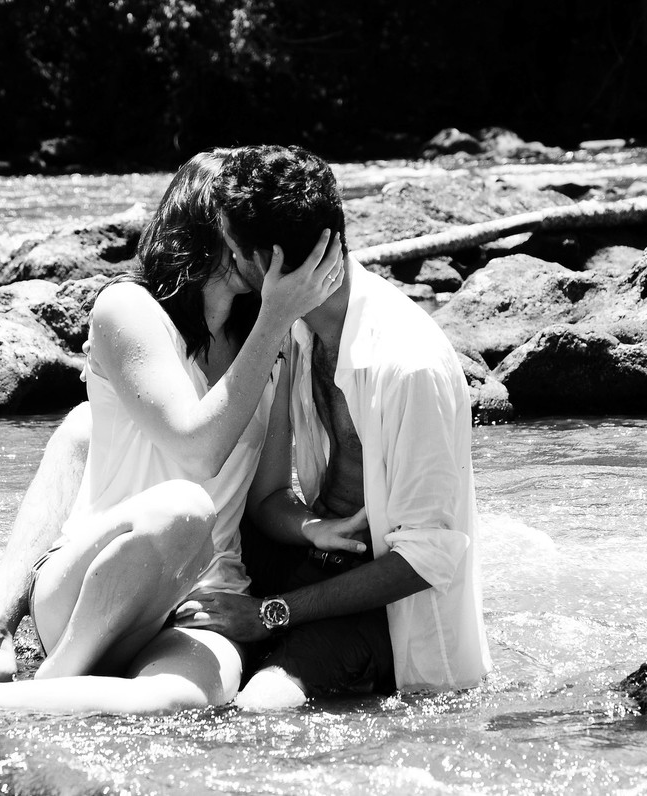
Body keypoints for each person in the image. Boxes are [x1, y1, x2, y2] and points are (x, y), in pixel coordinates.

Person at [0, 148, 345, 712]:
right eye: (235, 225)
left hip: (205, 600)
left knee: (181, 699)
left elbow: (267, 497)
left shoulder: (273, 349)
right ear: (196, 226)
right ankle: (53, 675)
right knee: (184, 510)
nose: (249, 245)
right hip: (87, 586)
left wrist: (314, 528)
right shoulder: (128, 309)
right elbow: (199, 449)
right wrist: (276, 317)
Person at [173, 144, 492, 707]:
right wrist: (312, 528)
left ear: (262, 264)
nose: (221, 261)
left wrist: (270, 614)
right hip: (316, 561)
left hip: (388, 609)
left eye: (228, 249)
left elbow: (428, 558)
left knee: (259, 711)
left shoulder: (408, 366)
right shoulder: (294, 332)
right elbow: (268, 499)